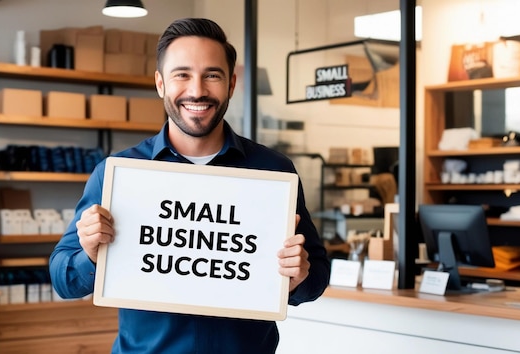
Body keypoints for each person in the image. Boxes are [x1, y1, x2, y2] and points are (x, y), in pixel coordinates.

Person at [49, 17, 330, 353]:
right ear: (160, 83)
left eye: (212, 75)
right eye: (182, 74)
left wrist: (298, 277)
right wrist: (91, 255)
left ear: (231, 84)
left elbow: (316, 277)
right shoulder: (119, 174)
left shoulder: (273, 172)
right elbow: (63, 280)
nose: (197, 90)